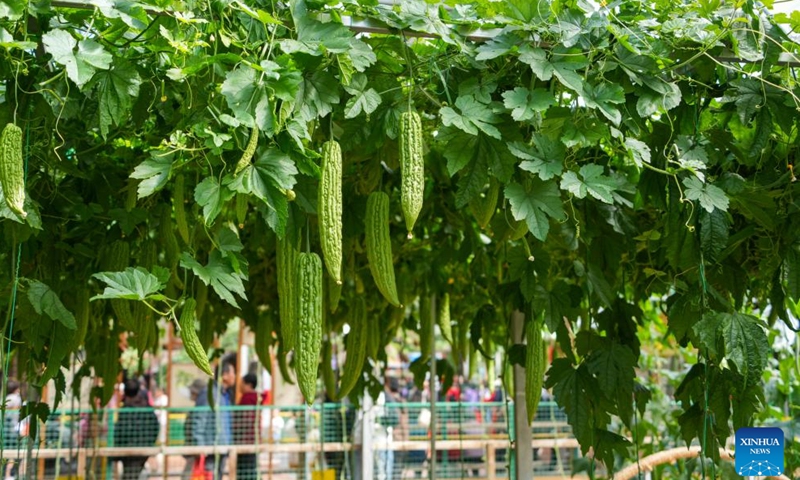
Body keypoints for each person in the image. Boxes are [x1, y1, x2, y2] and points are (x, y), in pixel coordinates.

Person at [190, 355, 236, 480]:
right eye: (233, 373)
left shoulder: (226, 394)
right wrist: (200, 446)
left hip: (223, 446)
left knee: (217, 476)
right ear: (225, 375)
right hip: (210, 447)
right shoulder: (209, 392)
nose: (235, 377)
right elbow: (198, 419)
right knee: (209, 475)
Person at [113, 379, 160, 480]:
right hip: (144, 448)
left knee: (129, 475)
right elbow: (155, 426)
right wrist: (149, 443)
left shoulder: (125, 410)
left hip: (129, 450)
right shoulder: (147, 407)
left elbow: (121, 431)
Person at [234, 373, 259, 480]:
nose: (239, 386)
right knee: (251, 468)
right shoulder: (257, 398)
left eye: (241, 384)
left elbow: (245, 419)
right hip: (253, 439)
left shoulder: (247, 399)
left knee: (244, 471)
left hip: (245, 440)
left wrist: (235, 427)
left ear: (248, 385)